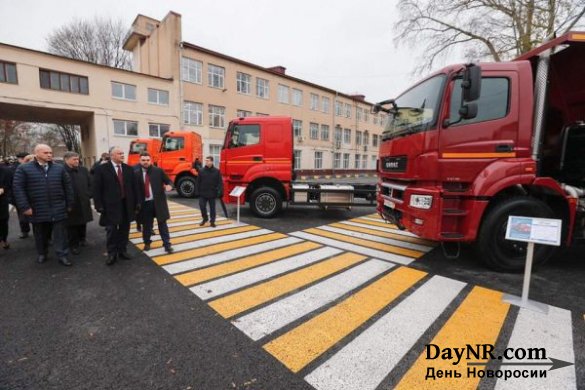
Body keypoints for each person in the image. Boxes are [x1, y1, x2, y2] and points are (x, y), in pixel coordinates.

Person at [12, 144, 74, 266]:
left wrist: (69, 203)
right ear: (37, 153)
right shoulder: (24, 169)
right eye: (46, 153)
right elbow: (18, 189)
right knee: (40, 234)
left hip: (58, 207)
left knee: (61, 234)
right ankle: (42, 253)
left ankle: (62, 255)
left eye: (50, 152)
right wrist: (25, 207)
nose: (50, 155)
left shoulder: (59, 168)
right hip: (37, 208)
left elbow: (68, 187)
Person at [92, 146, 138, 265]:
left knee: (124, 230)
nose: (122, 155)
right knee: (111, 230)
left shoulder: (129, 169)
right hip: (110, 206)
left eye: (123, 153)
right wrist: (99, 205)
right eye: (119, 153)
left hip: (126, 205)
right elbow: (96, 189)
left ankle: (122, 251)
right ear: (112, 156)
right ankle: (112, 253)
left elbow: (134, 188)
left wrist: (136, 204)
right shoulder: (101, 169)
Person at [134, 152, 174, 253]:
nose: (146, 162)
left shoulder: (158, 171)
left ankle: (167, 245)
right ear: (139, 161)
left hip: (158, 203)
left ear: (150, 160)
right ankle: (147, 243)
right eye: (143, 160)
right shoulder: (134, 172)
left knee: (163, 224)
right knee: (147, 225)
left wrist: (169, 186)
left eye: (147, 160)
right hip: (145, 204)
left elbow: (169, 181)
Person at [63, 152, 93, 255]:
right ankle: (73, 245)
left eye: (77, 159)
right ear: (66, 160)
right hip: (70, 203)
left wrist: (88, 194)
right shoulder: (62, 171)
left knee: (83, 222)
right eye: (74, 159)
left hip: (83, 201)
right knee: (71, 226)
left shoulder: (83, 170)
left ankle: (82, 239)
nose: (77, 161)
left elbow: (90, 183)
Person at [196, 156, 223, 228]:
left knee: (212, 209)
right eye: (206, 161)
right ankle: (205, 218)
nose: (206, 162)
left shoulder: (217, 171)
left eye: (208, 161)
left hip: (212, 193)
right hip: (203, 193)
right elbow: (198, 182)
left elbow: (220, 182)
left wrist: (220, 191)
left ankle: (212, 221)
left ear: (211, 161)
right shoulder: (201, 171)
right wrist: (197, 192)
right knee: (202, 206)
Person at [11, 152, 31, 239]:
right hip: (21, 195)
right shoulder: (14, 169)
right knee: (23, 215)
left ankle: (25, 231)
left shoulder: (13, 168)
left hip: (28, 195)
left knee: (23, 215)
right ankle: (25, 231)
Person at [0, 164, 12, 249]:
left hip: (2, 201)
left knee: (3, 222)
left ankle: (4, 239)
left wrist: (3, 188)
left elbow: (10, 184)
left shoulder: (6, 171)